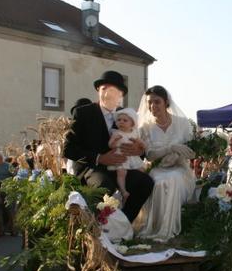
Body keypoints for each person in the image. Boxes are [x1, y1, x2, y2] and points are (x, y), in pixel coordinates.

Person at [64, 70, 154, 223]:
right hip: (93, 168)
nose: (108, 93)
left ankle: (123, 224)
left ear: (121, 95)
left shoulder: (126, 115)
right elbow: (69, 149)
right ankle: (94, 230)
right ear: (98, 91)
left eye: (113, 90)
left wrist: (139, 151)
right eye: (104, 88)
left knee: (145, 182)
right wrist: (100, 158)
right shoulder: (83, 113)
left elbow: (138, 147)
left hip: (122, 167)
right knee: (104, 185)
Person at [135, 85, 195, 241]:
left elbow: (192, 150)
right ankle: (156, 228)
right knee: (159, 181)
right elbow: (149, 155)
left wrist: (178, 155)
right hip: (156, 168)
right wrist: (170, 148)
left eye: (157, 102)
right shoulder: (145, 128)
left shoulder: (182, 123)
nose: (152, 106)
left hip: (179, 168)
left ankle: (169, 230)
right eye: (149, 102)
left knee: (173, 178)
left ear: (166, 102)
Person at [106, 108, 145, 201]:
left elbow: (141, 144)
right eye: (119, 120)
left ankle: (138, 191)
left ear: (132, 123)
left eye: (125, 120)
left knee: (142, 170)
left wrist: (142, 146)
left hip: (132, 157)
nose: (121, 122)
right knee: (121, 173)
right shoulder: (115, 133)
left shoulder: (135, 133)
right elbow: (110, 145)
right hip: (121, 156)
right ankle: (123, 191)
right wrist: (114, 141)